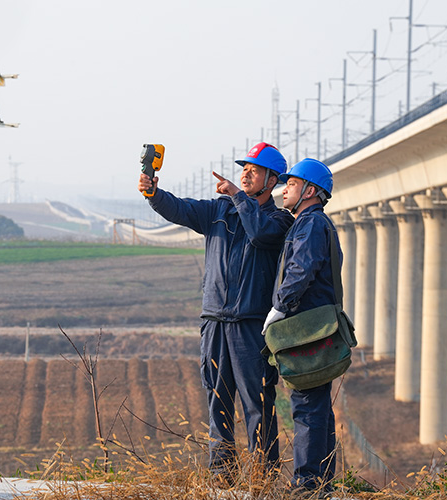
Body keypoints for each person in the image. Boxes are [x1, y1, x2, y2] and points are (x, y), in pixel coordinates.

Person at [137, 142, 294, 482]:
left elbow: (261, 234)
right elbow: (182, 209)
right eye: (244, 168)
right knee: (217, 398)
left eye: (254, 169)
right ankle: (222, 476)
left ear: (272, 180)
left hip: (250, 326)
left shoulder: (279, 219)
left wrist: (239, 196)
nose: (246, 172)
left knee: (258, 402)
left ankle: (262, 477)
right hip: (214, 322)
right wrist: (155, 194)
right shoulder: (219, 211)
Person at [262, 158, 341, 495]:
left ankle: (306, 485)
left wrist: (278, 308)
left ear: (310, 190)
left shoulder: (310, 225)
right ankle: (320, 482)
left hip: (307, 327)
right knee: (318, 403)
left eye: (291, 184)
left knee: (307, 404)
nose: (284, 189)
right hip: (317, 325)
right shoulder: (314, 223)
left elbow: (301, 271)